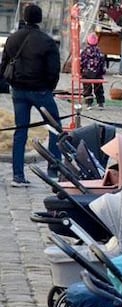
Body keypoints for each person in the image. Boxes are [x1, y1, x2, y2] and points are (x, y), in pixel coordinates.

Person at [0, 4, 62, 186]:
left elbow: (3, 66)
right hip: (40, 90)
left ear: (24, 18)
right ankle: (53, 170)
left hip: (18, 91)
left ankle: (18, 176)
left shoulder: (12, 38)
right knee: (54, 128)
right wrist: (48, 88)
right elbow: (53, 70)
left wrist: (12, 83)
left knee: (20, 132)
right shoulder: (46, 41)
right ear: (39, 19)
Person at [81, 33, 107, 109]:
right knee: (99, 88)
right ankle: (100, 103)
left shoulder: (84, 52)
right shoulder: (100, 52)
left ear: (87, 42)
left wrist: (80, 71)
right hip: (97, 74)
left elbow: (82, 63)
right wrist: (102, 72)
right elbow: (102, 64)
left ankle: (89, 104)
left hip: (87, 73)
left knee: (87, 88)